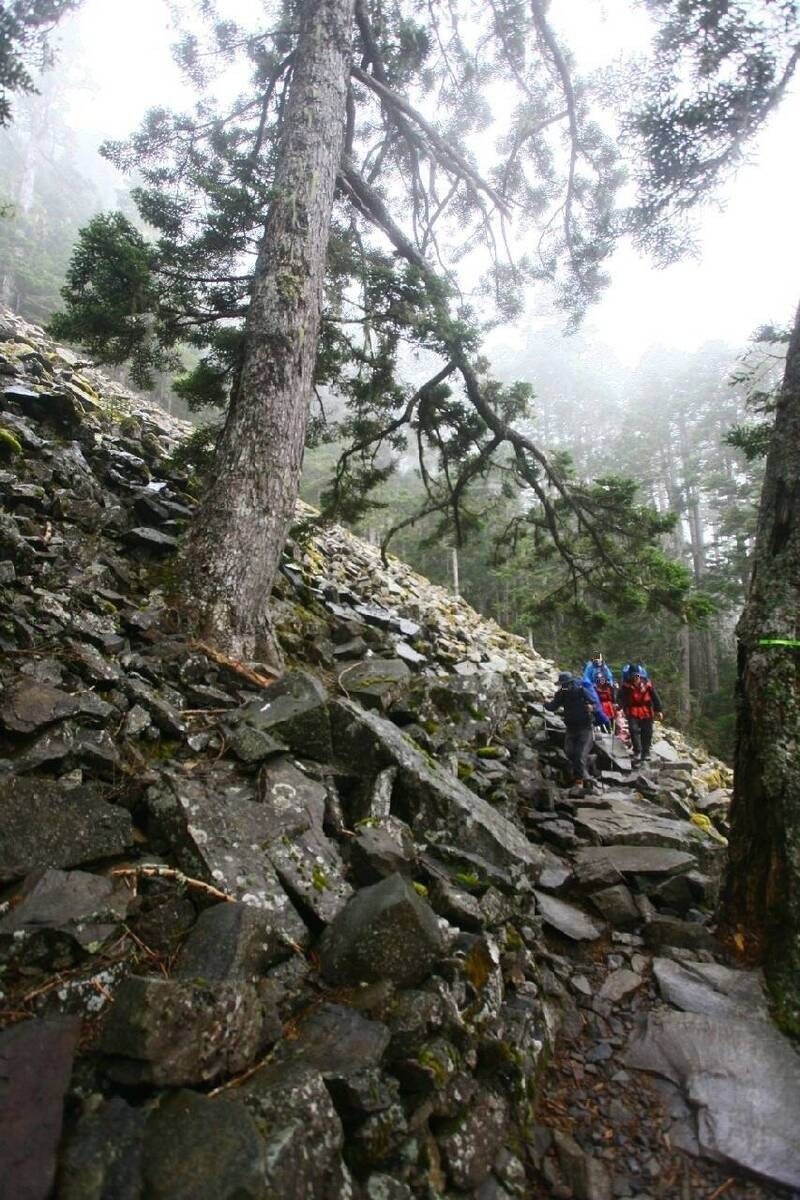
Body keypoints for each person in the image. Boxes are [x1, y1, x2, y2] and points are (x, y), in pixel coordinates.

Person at [545, 671, 610, 791]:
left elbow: (596, 704)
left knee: (579, 755)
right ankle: (589, 762)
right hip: (571, 728)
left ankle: (579, 783)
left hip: (585, 728)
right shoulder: (561, 695)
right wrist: (543, 703)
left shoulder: (581, 691)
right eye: (562, 685)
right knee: (569, 752)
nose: (564, 687)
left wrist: (592, 707)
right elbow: (553, 706)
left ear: (571, 683)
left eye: (565, 684)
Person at [617, 668, 663, 767]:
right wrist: (618, 706)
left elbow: (655, 697)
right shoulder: (626, 686)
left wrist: (658, 710)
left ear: (640, 676)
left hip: (646, 711)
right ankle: (637, 751)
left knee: (647, 731)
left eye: (637, 676)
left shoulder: (647, 685)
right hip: (632, 710)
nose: (635, 678)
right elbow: (621, 698)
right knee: (633, 730)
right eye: (633, 676)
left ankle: (646, 752)